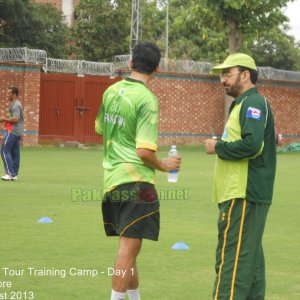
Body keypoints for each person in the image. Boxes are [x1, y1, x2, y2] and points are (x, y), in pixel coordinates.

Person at [95, 42, 181, 300]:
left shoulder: (111, 91)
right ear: (157, 68)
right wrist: (165, 165)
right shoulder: (147, 99)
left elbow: (100, 128)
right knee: (127, 248)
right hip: (137, 184)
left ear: (131, 63)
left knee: (131, 248)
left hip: (111, 181)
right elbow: (144, 151)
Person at [204, 53, 276, 300]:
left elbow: (252, 145)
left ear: (245, 75)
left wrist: (218, 147)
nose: (223, 80)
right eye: (221, 75)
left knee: (231, 265)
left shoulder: (252, 103)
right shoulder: (246, 104)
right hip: (243, 195)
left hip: (242, 196)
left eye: (228, 73)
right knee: (251, 266)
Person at [0, 87, 24, 181]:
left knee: (4, 151)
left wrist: (3, 119)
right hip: (16, 132)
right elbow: (12, 117)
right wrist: (5, 118)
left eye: (9, 93)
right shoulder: (14, 104)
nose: (7, 95)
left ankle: (9, 174)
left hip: (12, 132)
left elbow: (15, 119)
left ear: (14, 94)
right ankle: (14, 174)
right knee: (15, 153)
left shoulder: (16, 105)